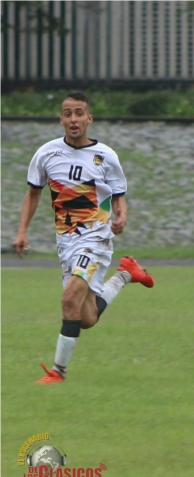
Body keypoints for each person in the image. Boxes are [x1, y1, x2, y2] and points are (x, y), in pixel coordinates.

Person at [13, 92, 155, 384]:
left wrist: (122, 215)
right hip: (66, 242)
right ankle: (125, 274)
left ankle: (58, 372)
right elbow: (33, 194)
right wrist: (22, 230)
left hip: (95, 239)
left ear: (89, 118)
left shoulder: (106, 156)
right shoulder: (46, 154)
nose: (73, 119)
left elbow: (119, 196)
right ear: (61, 119)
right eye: (68, 114)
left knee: (69, 300)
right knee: (85, 317)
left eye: (79, 113)